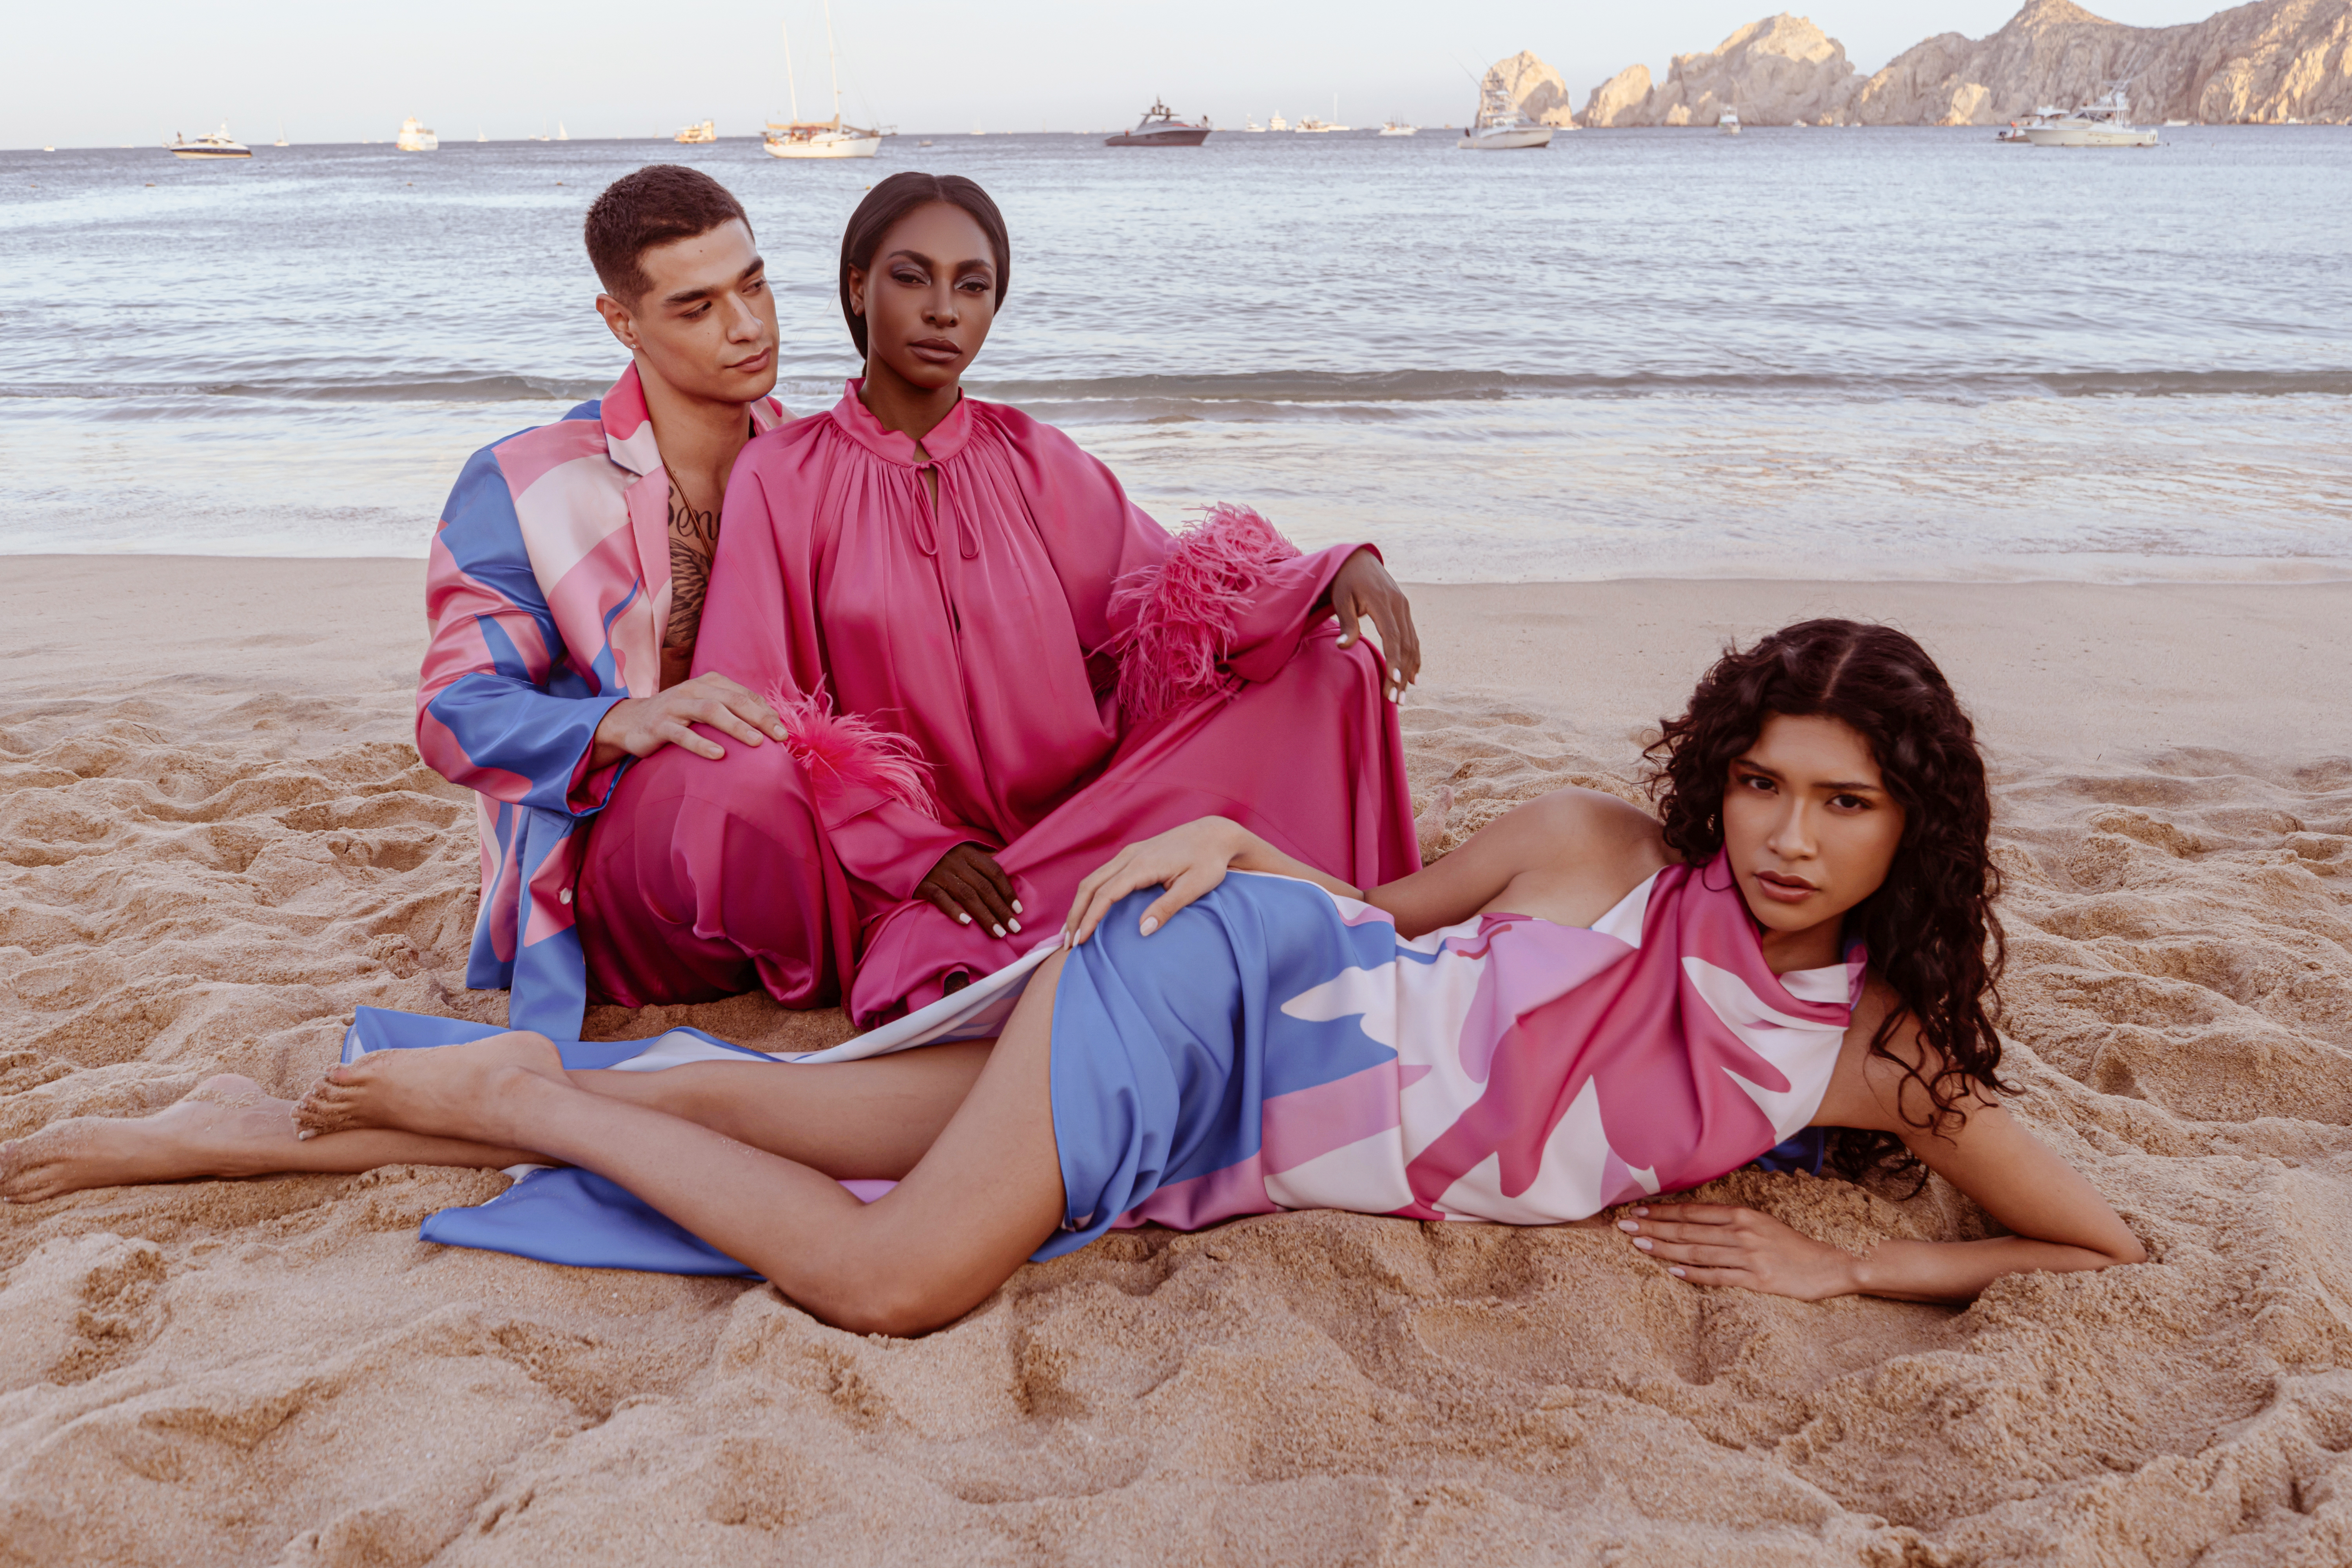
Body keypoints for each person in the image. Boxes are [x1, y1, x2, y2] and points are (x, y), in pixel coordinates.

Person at [2, 621, 2146, 1339]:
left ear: (1908, 830)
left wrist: (1860, 1280)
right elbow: (1369, 926)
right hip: (1206, 1002)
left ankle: (205, 1141)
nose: (1783, 837)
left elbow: (2106, 1249)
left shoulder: (1876, 1062)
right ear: (1718, 774)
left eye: (1841, 805)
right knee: (896, 1282)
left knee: (753, 1115)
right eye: (1765, 782)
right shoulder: (1602, 847)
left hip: (1222, 1117)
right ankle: (531, 1097)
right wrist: (1234, 844)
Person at [584, 169, 1422, 1030]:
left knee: (1329, 669)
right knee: (940, 954)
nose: (944, 310)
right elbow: (763, 700)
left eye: (973, 285)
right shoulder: (784, 475)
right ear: (857, 288)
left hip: (1083, 815)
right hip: (922, 865)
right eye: (912, 277)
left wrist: (1331, 571)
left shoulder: (1037, 457)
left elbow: (1175, 603)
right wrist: (914, 850)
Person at [416, 164, 800, 1036]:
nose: (747, 327)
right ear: (621, 321)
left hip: (795, 824)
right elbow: (452, 711)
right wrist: (618, 720)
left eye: (755, 285)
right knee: (749, 783)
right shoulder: (526, 483)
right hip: (609, 867)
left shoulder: (810, 461)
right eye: (696, 307)